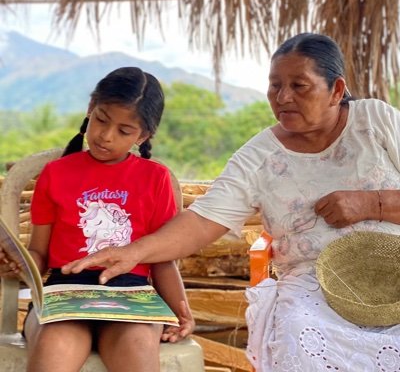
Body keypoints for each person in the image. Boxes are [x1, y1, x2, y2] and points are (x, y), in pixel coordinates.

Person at [63, 33, 400, 371]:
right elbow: (201, 221)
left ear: (336, 90)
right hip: (314, 288)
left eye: (299, 85)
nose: (283, 97)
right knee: (299, 330)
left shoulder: (375, 121)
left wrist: (375, 204)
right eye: (274, 86)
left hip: (396, 272)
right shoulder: (258, 156)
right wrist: (132, 253)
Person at [0, 67, 194, 372]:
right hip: (63, 292)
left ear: (143, 135)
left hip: (131, 297)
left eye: (124, 130)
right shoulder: (55, 174)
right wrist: (19, 263)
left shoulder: (155, 179)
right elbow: (39, 251)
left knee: (137, 347)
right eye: (102, 120)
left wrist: (181, 310)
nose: (105, 136)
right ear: (91, 108)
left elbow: (162, 258)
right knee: (55, 346)